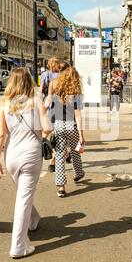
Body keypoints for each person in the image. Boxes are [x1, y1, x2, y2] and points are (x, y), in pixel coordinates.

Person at [0, 68, 51, 259]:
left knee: (23, 193)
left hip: (11, 156)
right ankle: (18, 246)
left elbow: (1, 135)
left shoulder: (5, 104)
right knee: (23, 199)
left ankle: (33, 220)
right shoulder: (35, 102)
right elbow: (47, 128)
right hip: (31, 154)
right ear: (28, 82)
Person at [46, 66, 86, 198]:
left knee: (59, 156)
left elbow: (47, 103)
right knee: (75, 151)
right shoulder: (76, 92)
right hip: (71, 125)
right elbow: (78, 114)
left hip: (58, 124)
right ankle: (78, 173)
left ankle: (61, 187)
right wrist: (81, 134)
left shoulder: (56, 87)